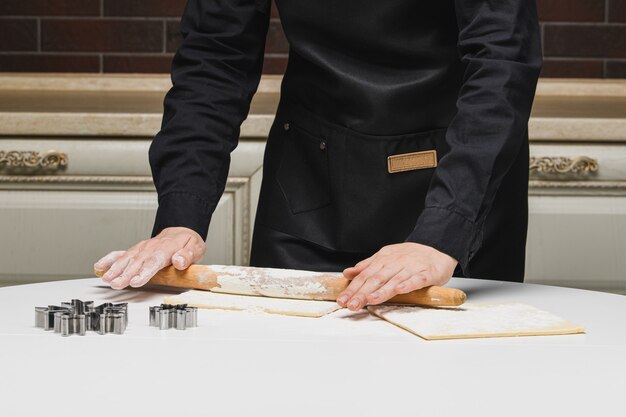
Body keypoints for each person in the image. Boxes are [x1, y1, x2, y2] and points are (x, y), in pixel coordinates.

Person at [95, 0, 543, 312]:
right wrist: (181, 215)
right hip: (309, 184)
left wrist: (445, 231)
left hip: (458, 180)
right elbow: (214, 59)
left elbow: (502, 61)